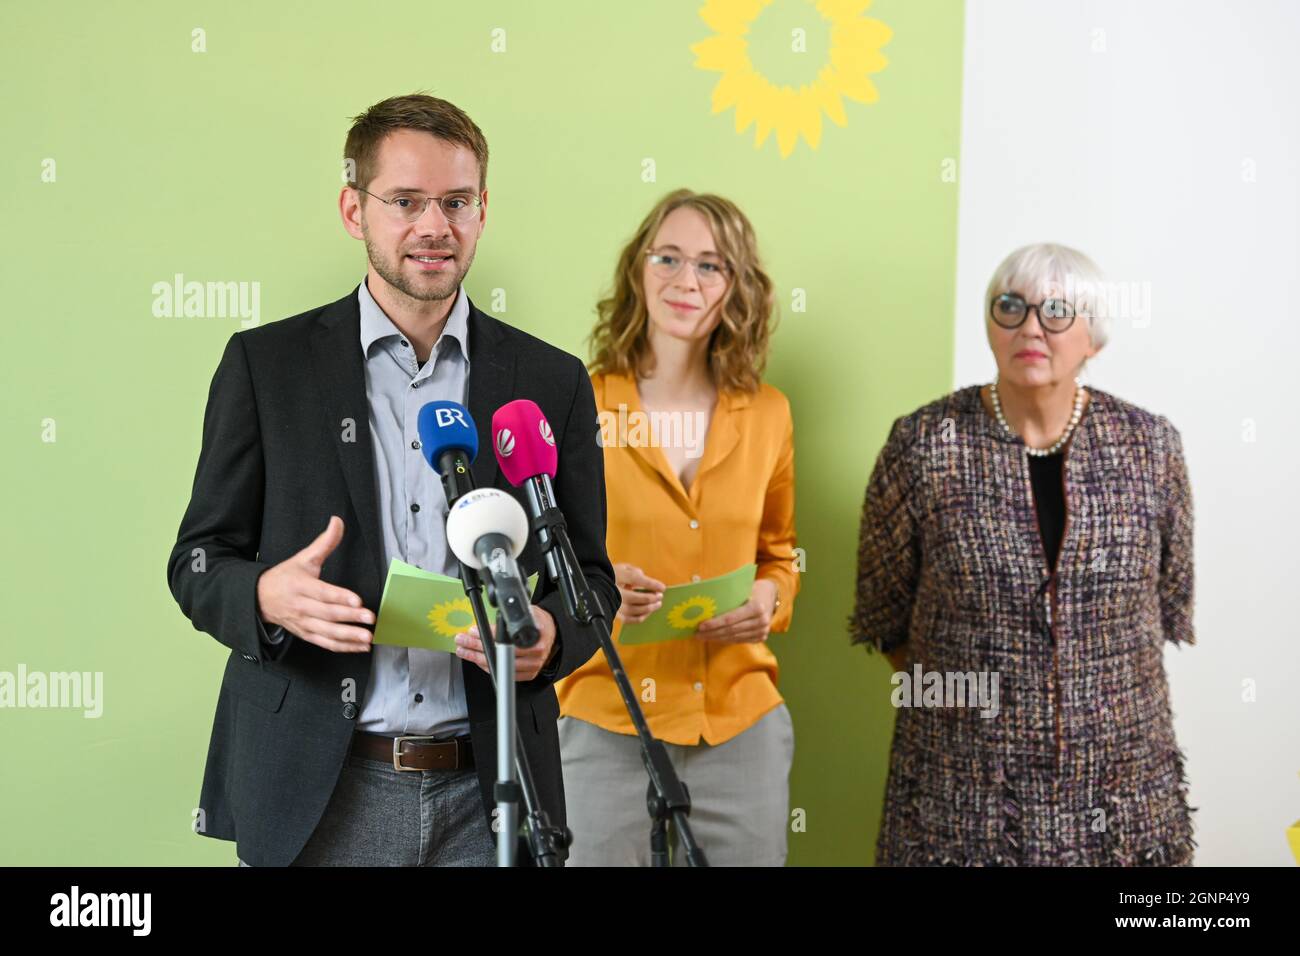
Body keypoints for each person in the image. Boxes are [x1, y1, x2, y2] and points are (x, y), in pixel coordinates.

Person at [167, 93, 618, 866]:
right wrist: (266, 596)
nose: (434, 226)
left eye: (456, 201)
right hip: (322, 785)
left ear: (483, 211)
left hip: (494, 790)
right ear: (355, 209)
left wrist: (550, 636)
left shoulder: (551, 380)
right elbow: (198, 560)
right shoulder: (266, 367)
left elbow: (592, 580)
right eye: (405, 201)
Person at [851, 242, 1197, 866]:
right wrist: (975, 702)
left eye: (1057, 310)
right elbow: (883, 613)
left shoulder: (1151, 449)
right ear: (990, 324)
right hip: (959, 796)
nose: (1031, 327)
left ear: (1094, 338)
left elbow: (1170, 601)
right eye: (1010, 307)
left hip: (1122, 794)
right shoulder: (923, 444)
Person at [556, 189, 800, 865]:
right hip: (606, 711)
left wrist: (768, 601)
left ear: (737, 288)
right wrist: (600, 587)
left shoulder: (770, 414)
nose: (684, 281)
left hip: (740, 720)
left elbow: (780, 554)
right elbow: (546, 557)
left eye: (710, 265)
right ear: (639, 269)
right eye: (667, 257)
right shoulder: (582, 401)